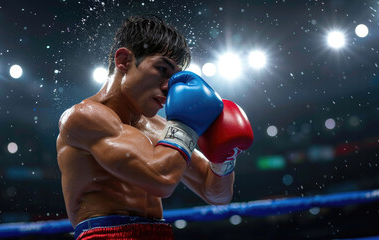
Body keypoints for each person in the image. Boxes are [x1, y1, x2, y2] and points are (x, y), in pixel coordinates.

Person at [56, 16, 254, 240]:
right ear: (123, 60)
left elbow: (216, 195)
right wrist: (187, 125)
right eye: (162, 69)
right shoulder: (84, 117)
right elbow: (161, 180)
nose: (170, 87)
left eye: (176, 77)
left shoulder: (162, 128)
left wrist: (224, 157)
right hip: (106, 235)